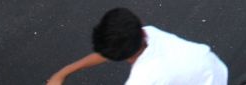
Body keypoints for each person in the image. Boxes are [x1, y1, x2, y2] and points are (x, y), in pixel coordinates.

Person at [46, 8, 228, 85]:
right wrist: (63, 73)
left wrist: (60, 75)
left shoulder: (143, 78)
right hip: (213, 67)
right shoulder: (150, 33)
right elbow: (106, 52)